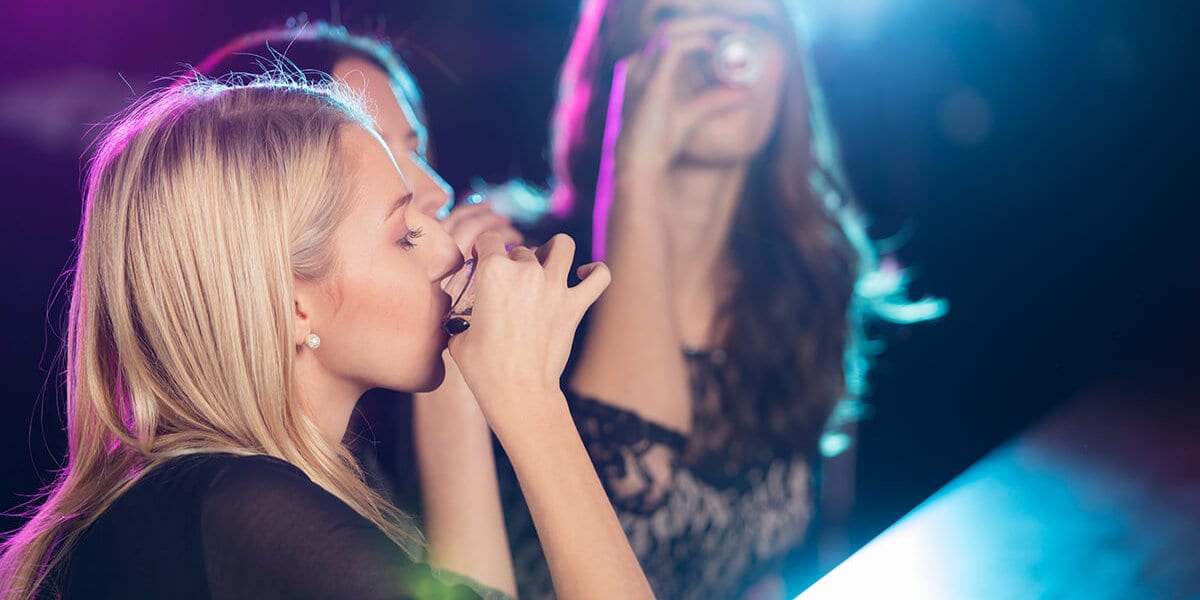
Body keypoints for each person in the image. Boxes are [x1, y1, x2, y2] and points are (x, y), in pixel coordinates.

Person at [0, 72, 652, 599]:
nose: (451, 257)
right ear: (293, 304)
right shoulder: (242, 509)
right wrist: (531, 398)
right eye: (404, 236)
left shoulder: (197, 500)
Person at [501, 0, 947, 597]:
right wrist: (635, 167)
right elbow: (636, 485)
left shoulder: (813, 280)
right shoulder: (523, 269)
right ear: (617, 58)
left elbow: (792, 559)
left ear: (788, 71)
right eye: (678, 21)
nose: (720, 55)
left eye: (754, 26)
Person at [192, 22, 527, 536]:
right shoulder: (254, 506)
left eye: (417, 150)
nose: (435, 190)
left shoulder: (361, 425)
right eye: (382, 154)